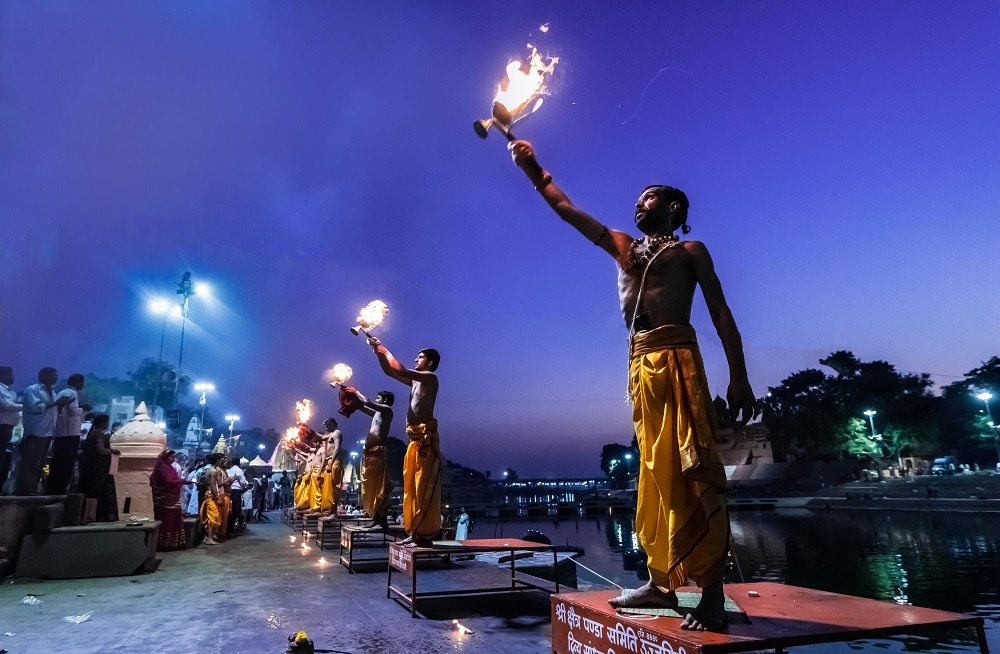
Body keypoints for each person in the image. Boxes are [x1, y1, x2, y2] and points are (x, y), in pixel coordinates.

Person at [507, 140, 756, 631]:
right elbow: (564, 208)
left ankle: (710, 591)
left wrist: (739, 375)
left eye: (648, 199)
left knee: (692, 466)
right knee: (652, 472)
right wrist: (532, 167)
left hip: (678, 360)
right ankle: (661, 581)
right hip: (639, 368)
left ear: (674, 207)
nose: (637, 205)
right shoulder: (620, 245)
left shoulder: (691, 251)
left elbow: (720, 311)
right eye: (637, 200)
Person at [367, 337, 442, 547]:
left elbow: (399, 369)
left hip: (425, 441)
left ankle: (424, 535)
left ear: (430, 363)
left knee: (422, 488)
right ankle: (414, 531)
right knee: (411, 487)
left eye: (420, 357)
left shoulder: (430, 378)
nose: (416, 359)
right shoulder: (416, 381)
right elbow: (390, 372)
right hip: (413, 440)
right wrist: (378, 352)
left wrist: (385, 348)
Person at [341, 388, 395, 530]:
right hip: (370, 454)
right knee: (370, 488)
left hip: (378, 453)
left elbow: (367, 402)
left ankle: (382, 522)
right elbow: (362, 406)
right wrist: (347, 393)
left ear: (384, 400)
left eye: (379, 398)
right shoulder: (378, 412)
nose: (376, 400)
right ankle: (375, 520)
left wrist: (356, 390)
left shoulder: (387, 410)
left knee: (379, 488)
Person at [16, 367, 73, 495]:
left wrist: (61, 405)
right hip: (36, 431)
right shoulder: (32, 390)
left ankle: (33, 487)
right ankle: (24, 489)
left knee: (40, 463)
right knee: (30, 462)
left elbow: (53, 411)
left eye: (56, 376)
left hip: (48, 431)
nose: (55, 378)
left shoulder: (52, 392)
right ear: (43, 376)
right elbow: (35, 408)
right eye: (52, 375)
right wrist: (55, 403)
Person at [49, 373, 91, 494]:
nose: (83, 385)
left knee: (59, 461)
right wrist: (83, 408)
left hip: (63, 432)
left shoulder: (63, 392)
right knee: (65, 462)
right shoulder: (70, 393)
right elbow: (73, 412)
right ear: (78, 383)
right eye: (82, 382)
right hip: (69, 433)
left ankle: (54, 487)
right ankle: (59, 487)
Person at [79, 414, 120, 522]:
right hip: (97, 468)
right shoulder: (97, 433)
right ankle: (92, 515)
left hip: (97, 467)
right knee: (96, 490)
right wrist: (112, 451)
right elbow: (100, 449)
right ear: (102, 423)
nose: (108, 424)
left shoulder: (97, 433)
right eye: (107, 422)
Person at [150, 449, 187, 550]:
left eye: (174, 457)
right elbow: (168, 481)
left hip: (173, 499)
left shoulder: (170, 467)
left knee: (174, 519)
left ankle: (174, 543)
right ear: (166, 457)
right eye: (171, 457)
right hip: (164, 500)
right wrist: (182, 480)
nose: (173, 459)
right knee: (167, 521)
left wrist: (181, 481)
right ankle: (164, 543)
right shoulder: (162, 467)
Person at [0, 366, 22, 493]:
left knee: (3, 457)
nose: (13, 377)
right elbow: (6, 405)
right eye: (11, 375)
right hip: (2, 427)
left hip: (6, 428)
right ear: (3, 376)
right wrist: (24, 405)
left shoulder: (7, 390)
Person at [199, 453, 226, 545]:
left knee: (211, 516)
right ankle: (209, 538)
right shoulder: (213, 471)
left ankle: (207, 537)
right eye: (221, 460)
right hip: (211, 495)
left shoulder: (211, 470)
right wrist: (217, 497)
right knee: (212, 516)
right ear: (218, 461)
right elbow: (213, 485)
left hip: (209, 494)